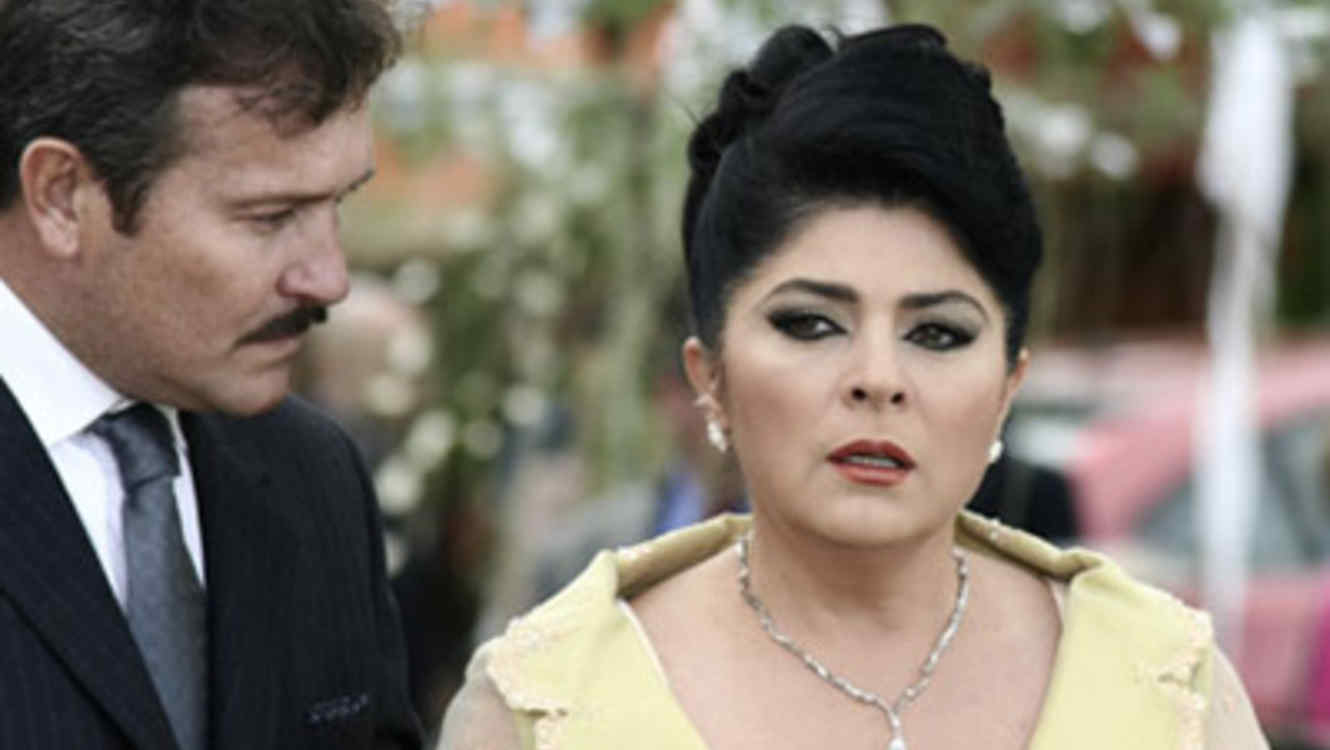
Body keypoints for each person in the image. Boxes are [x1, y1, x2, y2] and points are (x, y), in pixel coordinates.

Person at [438, 23, 1267, 750]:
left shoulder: (1162, 681)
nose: (878, 380)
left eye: (938, 334)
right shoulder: (550, 701)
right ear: (709, 376)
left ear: (1009, 385)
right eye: (811, 324)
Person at [0, 2, 422, 748]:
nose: (329, 278)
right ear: (62, 195)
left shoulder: (313, 478)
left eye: (338, 204)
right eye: (269, 217)